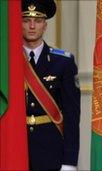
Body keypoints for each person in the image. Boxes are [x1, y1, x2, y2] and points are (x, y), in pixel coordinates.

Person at [22, 0, 80, 170]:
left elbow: (71, 115)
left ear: (45, 26)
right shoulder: (7, 63)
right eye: (26, 20)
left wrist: (70, 161)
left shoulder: (63, 62)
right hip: (15, 148)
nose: (32, 26)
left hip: (51, 152)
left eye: (38, 21)